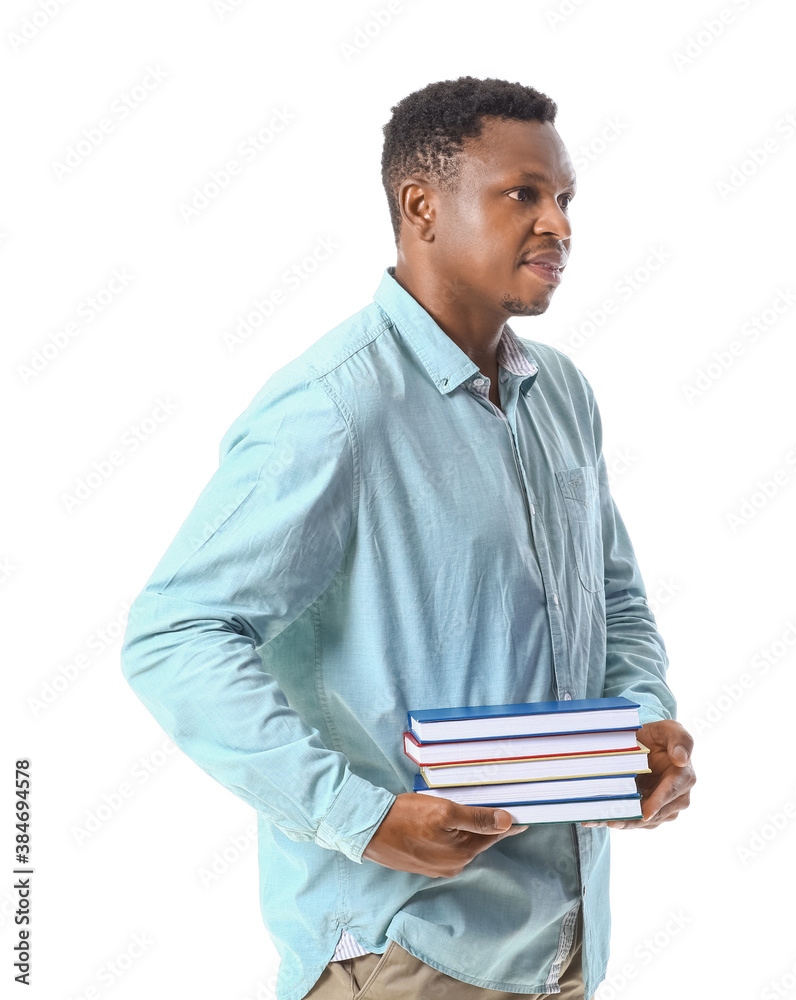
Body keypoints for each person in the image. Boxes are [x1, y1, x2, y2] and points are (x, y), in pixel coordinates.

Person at [120, 76, 695, 1000]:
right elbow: (173, 636)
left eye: (565, 198)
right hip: (404, 951)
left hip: (560, 944)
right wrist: (361, 818)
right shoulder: (333, 408)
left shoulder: (562, 396)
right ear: (421, 206)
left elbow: (614, 601)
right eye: (524, 194)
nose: (558, 223)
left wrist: (637, 727)